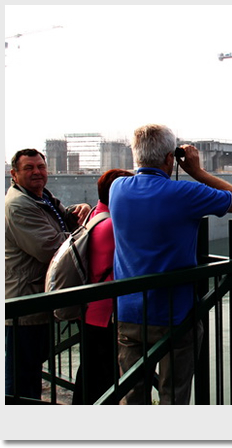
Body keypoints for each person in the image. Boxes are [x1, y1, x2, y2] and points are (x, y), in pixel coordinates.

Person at [110, 124, 232, 405]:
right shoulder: (185, 193)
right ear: (169, 158)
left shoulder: (118, 188)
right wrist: (198, 172)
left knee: (132, 393)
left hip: (128, 311)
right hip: (174, 314)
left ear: (136, 156)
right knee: (174, 395)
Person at [5, 148, 91, 400]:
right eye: (29, 168)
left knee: (29, 368)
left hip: (38, 300)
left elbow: (63, 219)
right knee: (21, 375)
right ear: (14, 174)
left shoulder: (40, 198)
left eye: (40, 167)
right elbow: (51, 248)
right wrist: (89, 234)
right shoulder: (18, 206)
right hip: (25, 304)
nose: (37, 172)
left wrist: (81, 208)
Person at [71, 169, 134, 405]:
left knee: (89, 374)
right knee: (105, 379)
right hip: (105, 313)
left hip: (90, 309)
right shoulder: (112, 227)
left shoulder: (94, 216)